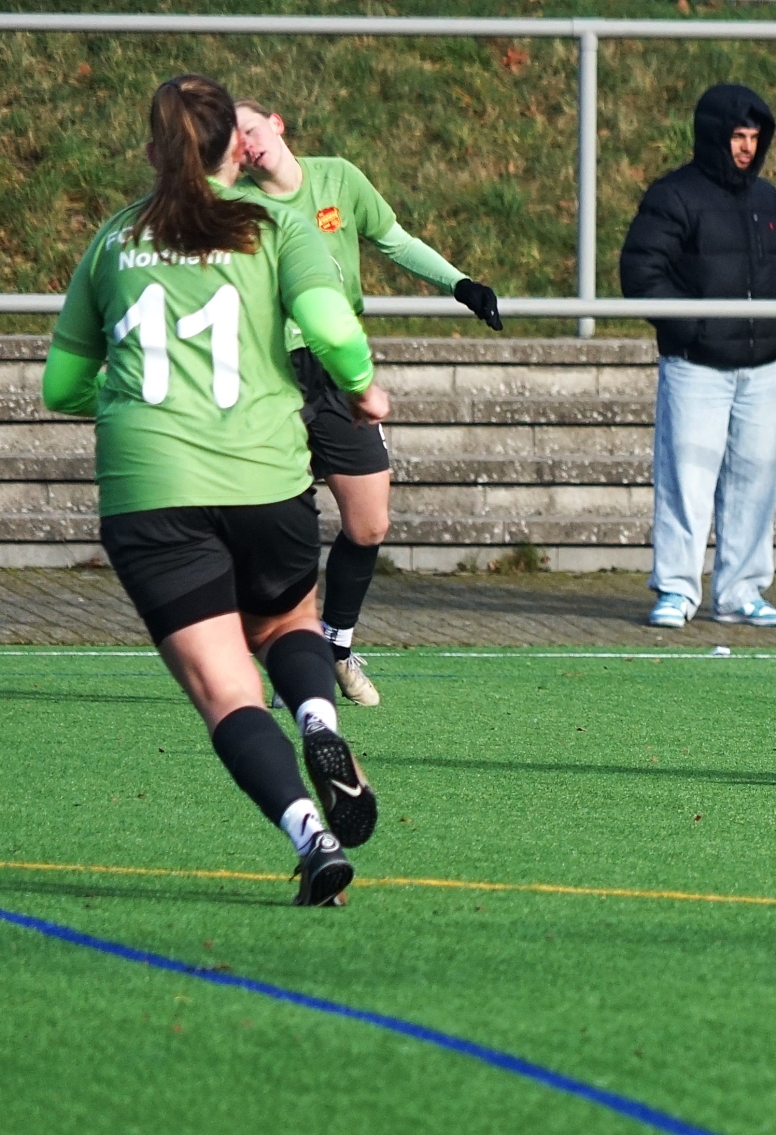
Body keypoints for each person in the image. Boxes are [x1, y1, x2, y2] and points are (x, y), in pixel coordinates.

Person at [41, 74, 388, 905]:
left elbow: (61, 386)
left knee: (226, 691)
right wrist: (363, 387)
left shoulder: (113, 239)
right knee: (287, 620)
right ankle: (318, 720)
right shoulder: (274, 224)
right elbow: (330, 325)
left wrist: (131, 402)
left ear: (152, 152)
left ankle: (311, 839)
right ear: (237, 144)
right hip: (261, 476)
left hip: (151, 488)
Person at [235, 100, 501, 707]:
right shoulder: (235, 205)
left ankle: (335, 644)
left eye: (251, 129)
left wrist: (460, 284)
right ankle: (280, 651)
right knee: (280, 527)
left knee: (369, 522)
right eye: (234, 142)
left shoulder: (338, 179)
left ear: (276, 123)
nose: (247, 144)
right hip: (270, 374)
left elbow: (394, 241)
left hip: (337, 369)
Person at [620, 83, 776, 628]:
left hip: (760, 368)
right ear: (714, 136)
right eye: (737, 136)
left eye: (754, 137)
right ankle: (677, 590)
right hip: (695, 367)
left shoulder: (767, 198)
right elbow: (641, 271)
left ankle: (741, 592)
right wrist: (694, 330)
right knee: (687, 481)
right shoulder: (673, 195)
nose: (746, 147)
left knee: (757, 481)